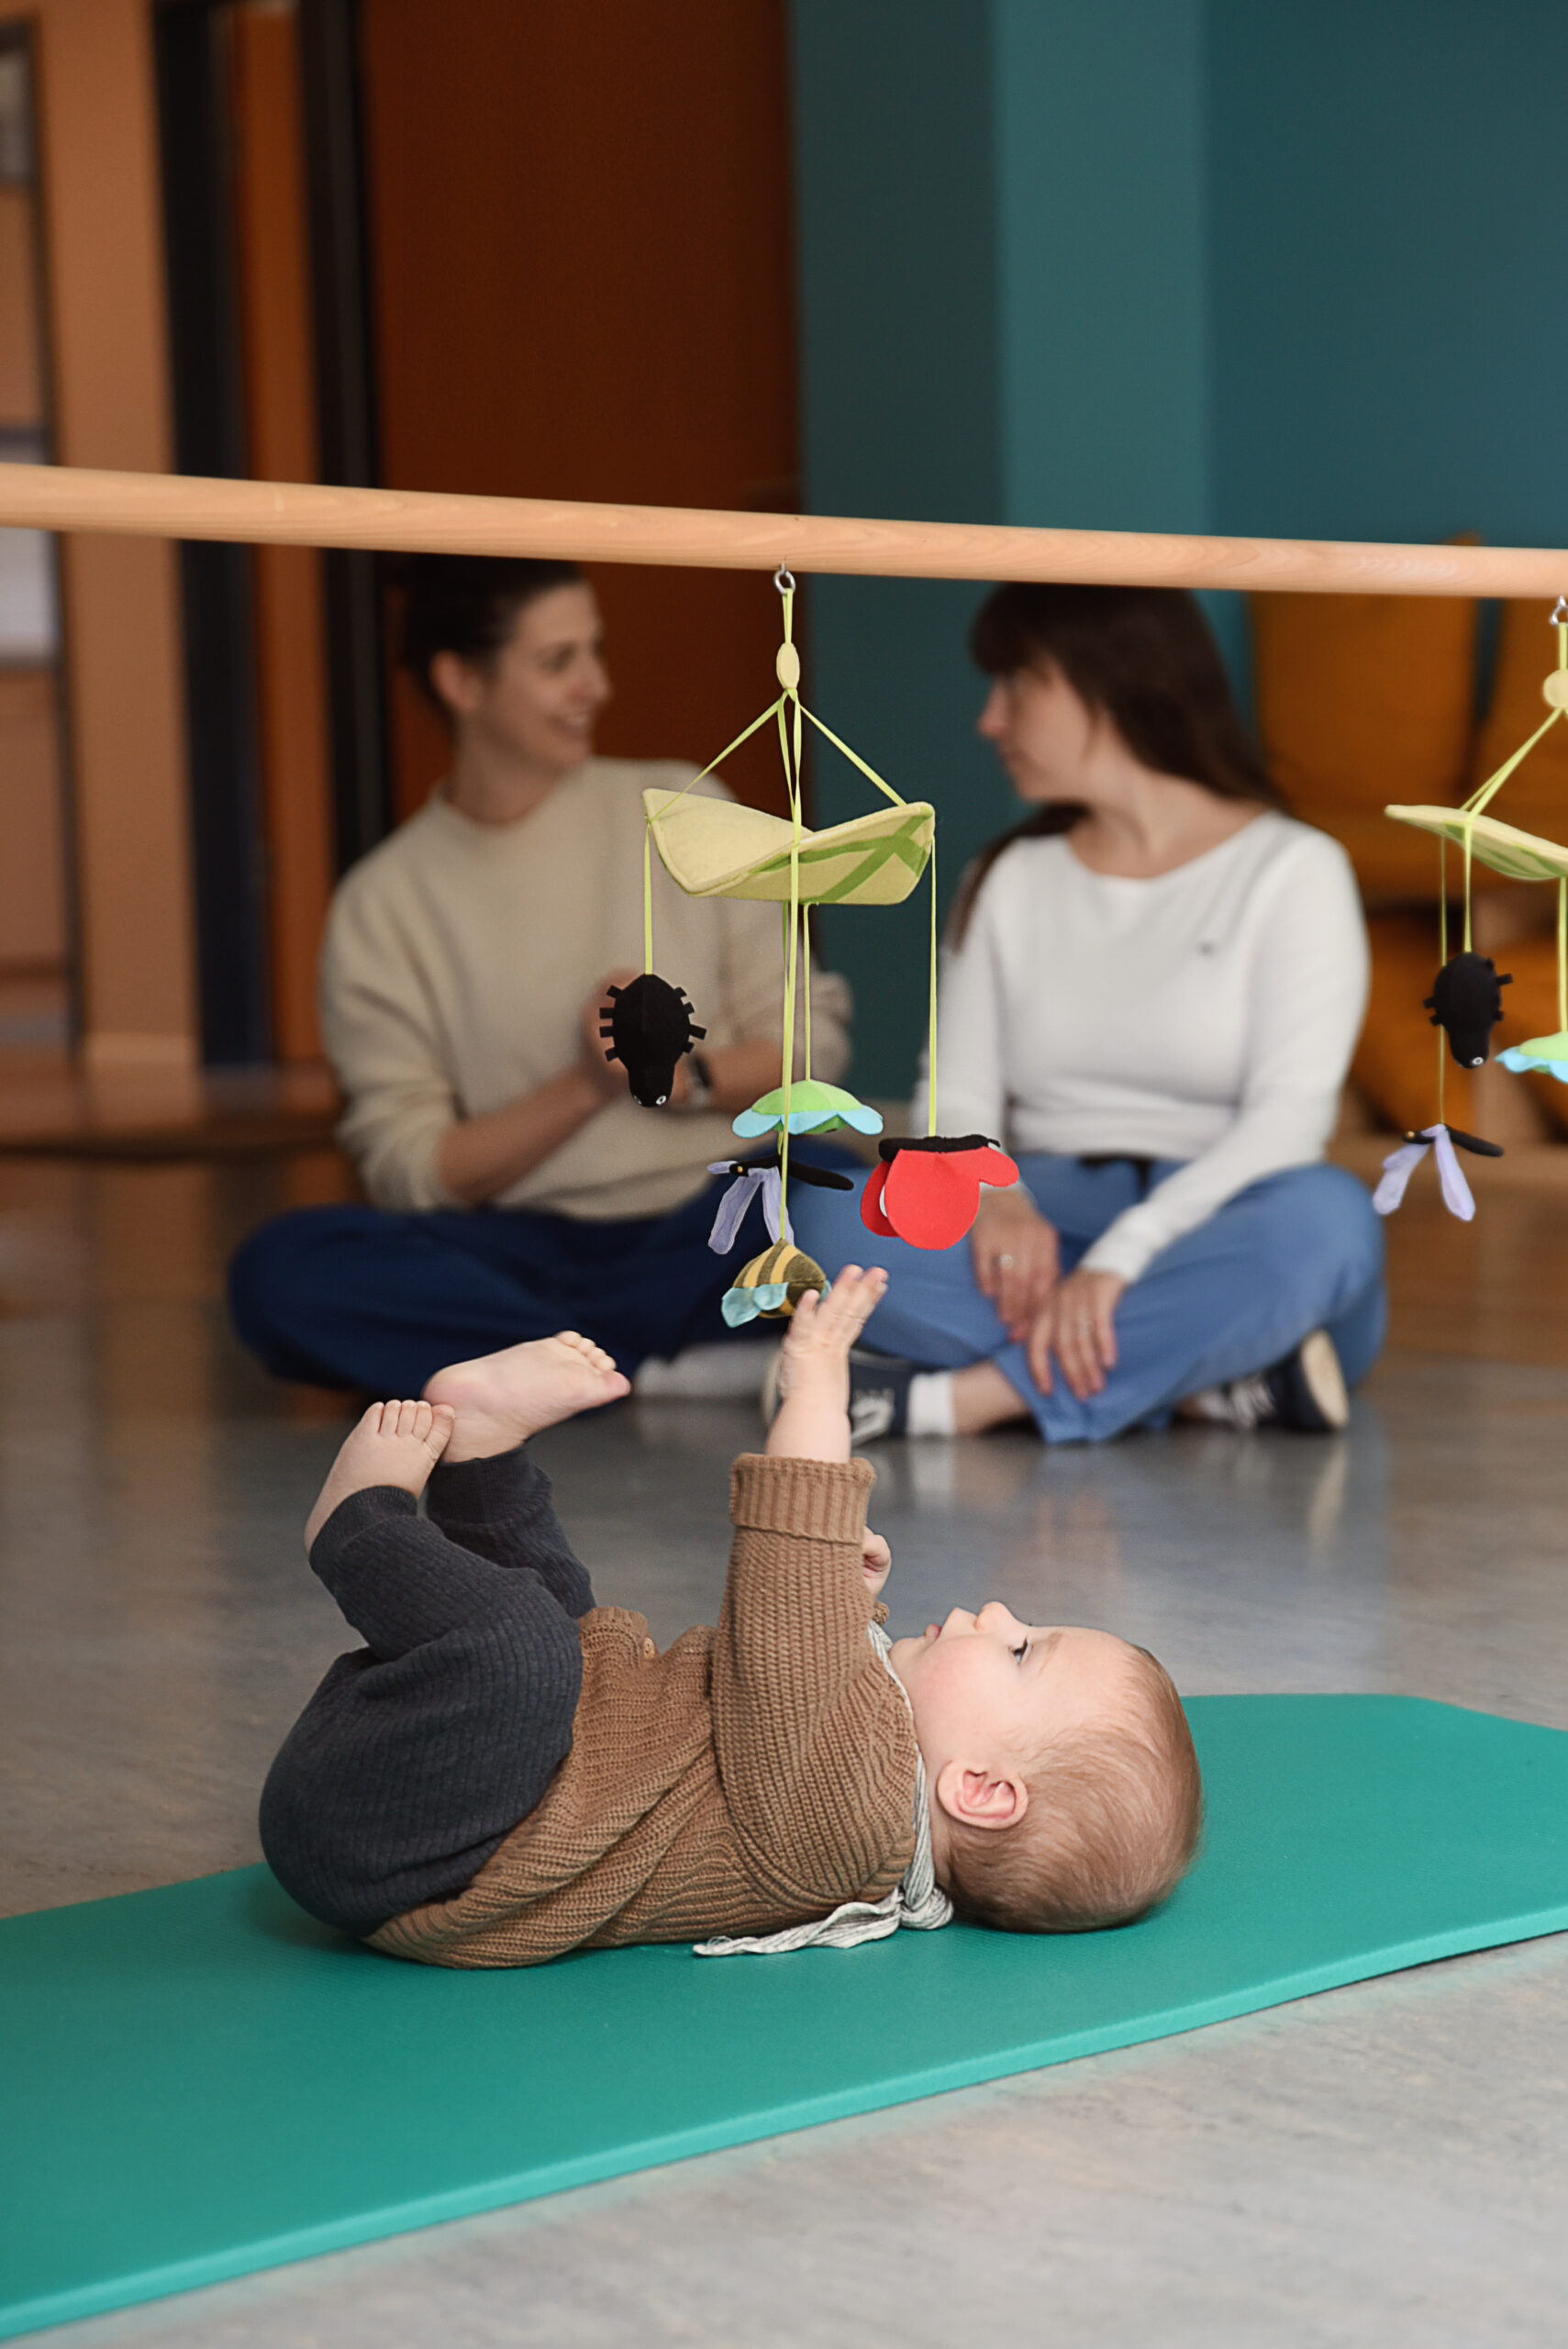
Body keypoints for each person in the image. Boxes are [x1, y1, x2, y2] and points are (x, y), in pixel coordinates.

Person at [259, 1268, 1203, 1965]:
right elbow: (805, 1658)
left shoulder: (852, 1822)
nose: (998, 1611)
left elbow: (786, 1589)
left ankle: (357, 1525)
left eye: (1021, 1648)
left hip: (412, 1847)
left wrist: (820, 1391)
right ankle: (482, 1454)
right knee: (567, 1625)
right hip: (463, 1786)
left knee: (526, 1651)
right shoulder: (860, 1772)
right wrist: (844, 1577)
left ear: (981, 1791)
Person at [229, 555, 851, 1397]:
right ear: (461, 681)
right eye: (557, 662)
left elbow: (811, 1043)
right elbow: (410, 1168)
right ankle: (653, 1367)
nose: (595, 685)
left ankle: (561, 1369)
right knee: (283, 1272)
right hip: (520, 1251)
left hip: (714, 1218)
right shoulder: (385, 902)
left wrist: (674, 1074)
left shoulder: (680, 804)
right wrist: (586, 1086)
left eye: (593, 651)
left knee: (856, 1199)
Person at [789, 584, 1385, 1444]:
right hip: (1037, 1222)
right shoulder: (1010, 879)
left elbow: (1288, 1123)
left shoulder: (1293, 871)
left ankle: (960, 1401)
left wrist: (1119, 1260)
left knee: (1328, 1222)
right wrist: (1000, 1197)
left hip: (1226, 1219)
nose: (990, 720)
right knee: (826, 1219)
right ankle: (1203, 1380)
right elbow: (950, 1095)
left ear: (1115, 681)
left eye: (1017, 683)